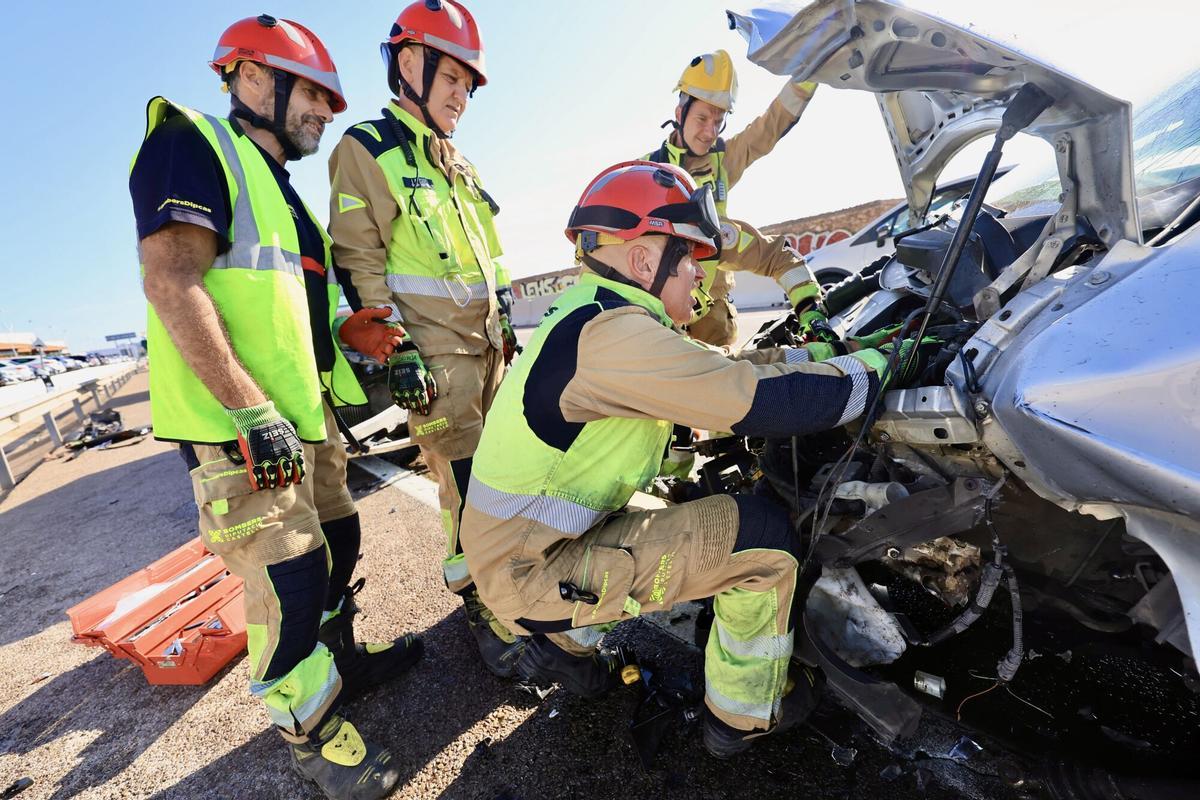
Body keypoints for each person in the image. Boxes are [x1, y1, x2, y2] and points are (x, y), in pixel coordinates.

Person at [459, 161, 900, 758]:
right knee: (764, 541)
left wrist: (821, 353)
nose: (700, 270)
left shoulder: (599, 314)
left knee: (690, 505)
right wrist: (882, 370)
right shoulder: (615, 337)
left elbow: (722, 372)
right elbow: (759, 401)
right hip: (528, 572)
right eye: (688, 254)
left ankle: (571, 649)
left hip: (528, 547)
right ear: (644, 261)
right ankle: (739, 719)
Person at [132, 15, 421, 799]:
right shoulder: (192, 142)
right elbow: (171, 280)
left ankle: (341, 666)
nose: (328, 113)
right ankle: (313, 734)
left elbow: (292, 307)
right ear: (253, 77)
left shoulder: (283, 196)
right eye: (316, 95)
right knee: (288, 584)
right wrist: (248, 408)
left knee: (338, 543)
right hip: (243, 429)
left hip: (306, 420)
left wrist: (348, 326)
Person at [327, 0, 524, 678]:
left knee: (507, 477)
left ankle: (510, 582)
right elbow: (358, 259)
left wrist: (508, 321)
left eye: (470, 84)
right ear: (410, 63)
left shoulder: (457, 163)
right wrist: (398, 347)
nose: (463, 96)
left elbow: (491, 252)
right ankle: (484, 606)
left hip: (489, 348)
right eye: (453, 78)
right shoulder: (366, 149)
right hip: (434, 360)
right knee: (467, 486)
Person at [645, 50, 827, 347]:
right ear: (680, 114)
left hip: (712, 309)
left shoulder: (723, 159)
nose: (710, 132)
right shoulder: (648, 171)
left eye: (718, 121)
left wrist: (811, 74)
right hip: (662, 308)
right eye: (702, 118)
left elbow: (769, 127)